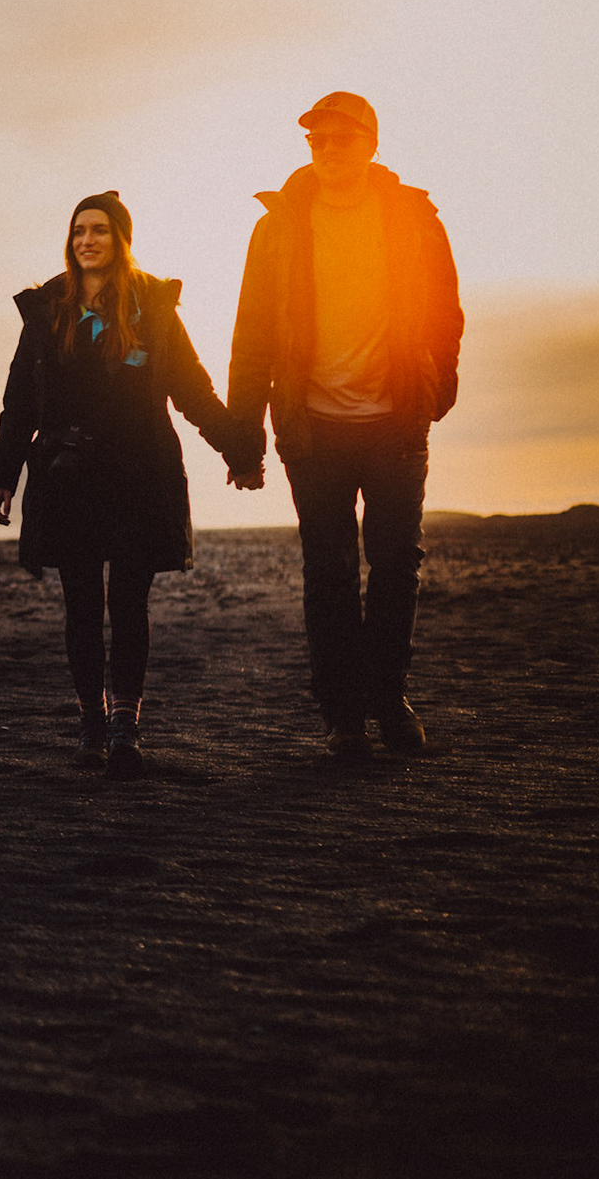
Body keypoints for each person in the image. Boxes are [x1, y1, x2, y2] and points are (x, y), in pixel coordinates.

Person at [0, 192, 259, 779]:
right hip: (67, 476)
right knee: (81, 605)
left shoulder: (152, 309)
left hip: (139, 473)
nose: (87, 240)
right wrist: (2, 476)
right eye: (79, 230)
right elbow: (18, 403)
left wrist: (239, 451)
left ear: (121, 239)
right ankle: (90, 722)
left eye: (100, 231)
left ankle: (125, 724)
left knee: (130, 603)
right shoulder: (46, 311)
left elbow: (192, 390)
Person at [226, 92, 464, 759]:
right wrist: (244, 439)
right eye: (317, 141)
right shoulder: (277, 227)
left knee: (396, 564)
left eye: (342, 139)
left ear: (370, 144)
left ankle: (389, 697)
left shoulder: (414, 218)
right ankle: (343, 716)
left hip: (395, 422)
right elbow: (252, 337)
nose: (328, 151)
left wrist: (435, 388)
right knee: (327, 569)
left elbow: (444, 309)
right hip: (313, 428)